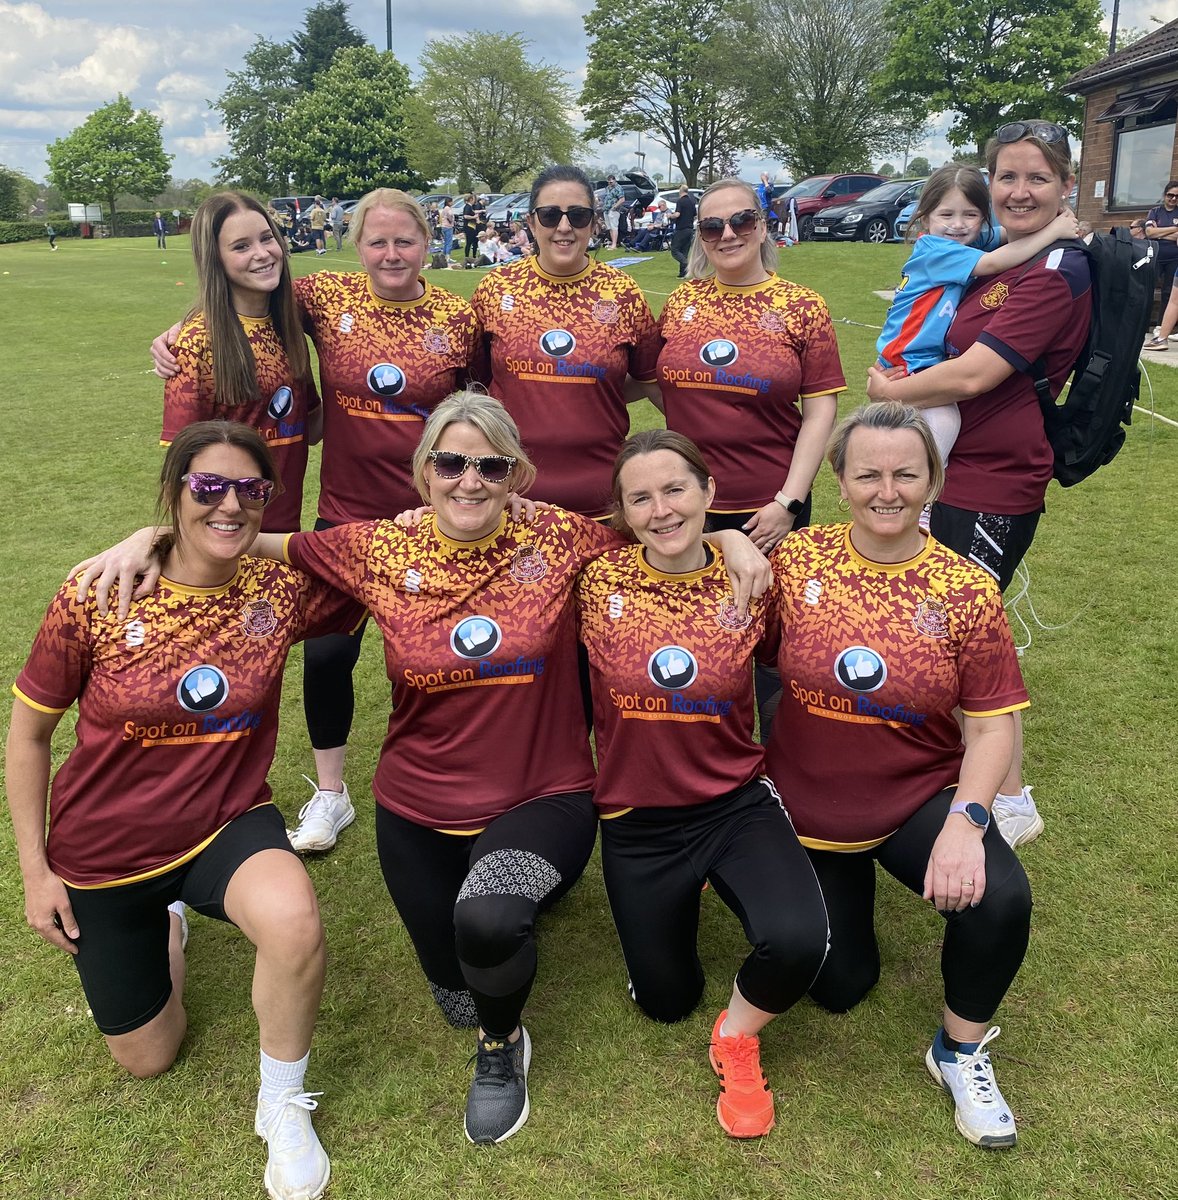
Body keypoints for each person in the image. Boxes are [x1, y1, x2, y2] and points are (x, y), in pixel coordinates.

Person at [78, 392, 771, 1147]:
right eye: (449, 462)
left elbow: (660, 528)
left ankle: (503, 1051)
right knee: (461, 993)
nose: (468, 480)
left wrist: (736, 541)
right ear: (423, 473)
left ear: (517, 475)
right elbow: (247, 541)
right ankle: (500, 951)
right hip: (418, 805)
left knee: (491, 919)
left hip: (545, 794)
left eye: (489, 465)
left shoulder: (563, 539)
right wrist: (151, 533)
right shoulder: (379, 547)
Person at [8, 422, 363, 1200]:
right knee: (149, 1056)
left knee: (295, 921)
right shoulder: (98, 593)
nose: (229, 505)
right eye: (208, 487)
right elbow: (30, 735)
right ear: (174, 491)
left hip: (225, 822)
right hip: (104, 852)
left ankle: (281, 1102)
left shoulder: (277, 589)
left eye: (250, 490)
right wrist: (36, 874)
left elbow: (390, 563)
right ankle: (163, 922)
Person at [150, 188, 484, 853]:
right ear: (356, 245)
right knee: (328, 653)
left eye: (405, 239)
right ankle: (331, 793)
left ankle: (468, 779)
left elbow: (479, 408)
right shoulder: (324, 298)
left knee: (453, 654)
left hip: (434, 521)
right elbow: (240, 299)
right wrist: (174, 335)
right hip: (343, 514)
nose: (391, 253)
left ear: (429, 241)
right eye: (377, 240)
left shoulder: (459, 315)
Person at [765, 402, 1033, 1150]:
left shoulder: (966, 588)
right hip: (807, 808)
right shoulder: (795, 562)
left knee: (999, 896)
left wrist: (966, 824)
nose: (888, 490)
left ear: (933, 481)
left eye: (906, 474)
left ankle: (959, 1050)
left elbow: (990, 725)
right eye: (869, 474)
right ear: (841, 482)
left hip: (915, 794)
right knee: (840, 986)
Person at [577, 429, 829, 1139]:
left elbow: (796, 670)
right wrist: (728, 536)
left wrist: (730, 544)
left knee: (801, 941)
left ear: (709, 491)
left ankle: (737, 1037)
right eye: (641, 498)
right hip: (636, 821)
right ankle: (679, 908)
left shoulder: (751, 581)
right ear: (622, 515)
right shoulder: (596, 578)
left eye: (676, 489)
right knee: (665, 1001)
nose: (661, 510)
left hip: (734, 806)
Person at [867, 119, 1092, 847]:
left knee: (973, 641)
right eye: (1008, 177)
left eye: (1037, 178)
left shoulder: (1059, 272)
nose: (1019, 190)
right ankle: (961, 768)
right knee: (954, 631)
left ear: (1064, 187)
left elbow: (973, 374)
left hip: (996, 481)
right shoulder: (1001, 258)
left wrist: (889, 390)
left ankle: (1012, 800)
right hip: (955, 471)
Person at [661, 177, 844, 553]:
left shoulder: (803, 306)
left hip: (768, 509)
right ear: (701, 237)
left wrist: (788, 501)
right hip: (687, 503)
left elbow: (820, 412)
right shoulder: (681, 301)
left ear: (761, 227)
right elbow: (652, 379)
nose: (727, 234)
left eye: (740, 221)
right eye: (712, 227)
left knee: (766, 610)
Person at [470, 164, 661, 517]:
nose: (563, 227)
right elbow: (475, 389)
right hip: (510, 504)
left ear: (594, 222)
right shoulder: (496, 289)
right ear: (531, 222)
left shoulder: (622, 293)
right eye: (549, 215)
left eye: (578, 215)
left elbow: (651, 382)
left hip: (603, 503)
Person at [876, 165, 1079, 464]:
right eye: (946, 215)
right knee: (943, 420)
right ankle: (926, 492)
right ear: (925, 217)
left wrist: (1053, 213)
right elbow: (995, 262)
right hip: (909, 357)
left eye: (970, 215)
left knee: (914, 429)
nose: (958, 225)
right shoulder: (936, 250)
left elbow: (1008, 234)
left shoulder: (962, 242)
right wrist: (1055, 231)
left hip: (917, 355)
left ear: (982, 218)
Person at [162, 191, 320, 535]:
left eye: (267, 238)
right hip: (228, 534)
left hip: (284, 535)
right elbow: (181, 469)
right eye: (241, 246)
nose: (262, 254)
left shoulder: (288, 325)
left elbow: (312, 428)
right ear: (215, 259)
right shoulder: (197, 343)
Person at [1144, 179, 1178, 302]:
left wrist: (1158, 233)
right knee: (1148, 290)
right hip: (1156, 257)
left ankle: (1163, 322)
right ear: (1165, 195)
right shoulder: (1154, 212)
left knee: (1168, 293)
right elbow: (1149, 233)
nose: (1174, 198)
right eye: (1171, 195)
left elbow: (1154, 233)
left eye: (1177, 196)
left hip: (1174, 259)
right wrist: (1174, 229)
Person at [670, 184, 697, 278]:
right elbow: (695, 215)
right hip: (690, 229)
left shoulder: (680, 201)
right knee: (684, 251)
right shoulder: (692, 201)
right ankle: (683, 274)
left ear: (680, 191)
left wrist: (670, 216)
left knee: (674, 250)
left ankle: (686, 264)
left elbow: (677, 214)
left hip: (681, 229)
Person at [601, 174, 625, 248]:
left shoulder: (618, 188)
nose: (609, 184)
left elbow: (622, 199)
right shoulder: (608, 188)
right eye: (608, 182)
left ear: (614, 180)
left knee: (614, 227)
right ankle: (612, 243)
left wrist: (614, 207)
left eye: (611, 182)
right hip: (606, 210)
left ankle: (614, 244)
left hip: (614, 210)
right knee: (609, 227)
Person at [461, 193, 480, 264]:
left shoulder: (470, 207)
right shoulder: (467, 207)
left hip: (473, 226)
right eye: (473, 199)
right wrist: (474, 217)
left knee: (475, 242)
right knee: (469, 242)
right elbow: (465, 216)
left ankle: (474, 257)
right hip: (469, 227)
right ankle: (467, 257)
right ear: (471, 199)